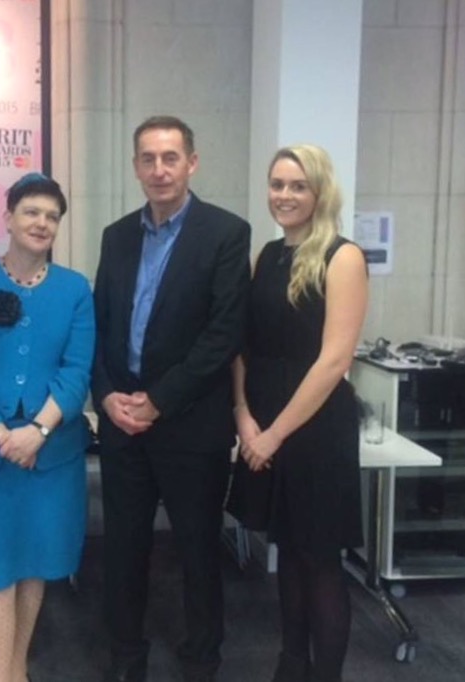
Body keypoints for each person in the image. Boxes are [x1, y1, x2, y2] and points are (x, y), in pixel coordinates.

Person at [92, 115, 251, 682]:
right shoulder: (116, 236)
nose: (159, 169)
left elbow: (223, 334)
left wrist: (157, 400)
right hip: (120, 425)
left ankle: (201, 661)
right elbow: (100, 325)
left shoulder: (227, 233)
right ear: (135, 166)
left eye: (170, 157)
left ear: (192, 162)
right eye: (147, 159)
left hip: (191, 426)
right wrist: (107, 396)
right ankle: (125, 658)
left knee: (198, 554)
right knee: (124, 551)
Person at [0, 173, 94, 682]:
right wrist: (2, 433)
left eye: (52, 216)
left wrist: (40, 431)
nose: (42, 223)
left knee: (35, 563)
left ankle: (16, 670)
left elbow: (77, 371)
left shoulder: (75, 289)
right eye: (31, 212)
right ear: (7, 218)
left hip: (52, 453)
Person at [229, 145, 368, 682]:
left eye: (297, 186)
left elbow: (334, 360)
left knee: (320, 559)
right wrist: (243, 415)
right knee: (286, 548)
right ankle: (292, 664)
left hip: (314, 429)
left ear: (319, 192)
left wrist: (274, 435)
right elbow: (246, 344)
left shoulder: (343, 256)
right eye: (277, 184)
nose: (284, 196)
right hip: (263, 419)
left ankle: (325, 674)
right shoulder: (267, 254)